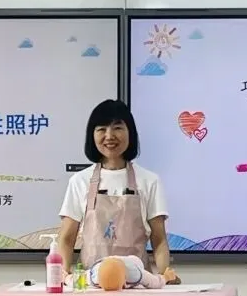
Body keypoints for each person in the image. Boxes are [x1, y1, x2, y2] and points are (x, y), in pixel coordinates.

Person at [57, 99, 178, 282]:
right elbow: (66, 238)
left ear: (130, 133)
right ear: (92, 135)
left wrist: (164, 276)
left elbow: (159, 239)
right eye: (101, 129)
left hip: (137, 285)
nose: (109, 135)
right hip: (91, 285)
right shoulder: (79, 181)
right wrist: (62, 275)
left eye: (117, 128)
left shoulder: (149, 181)